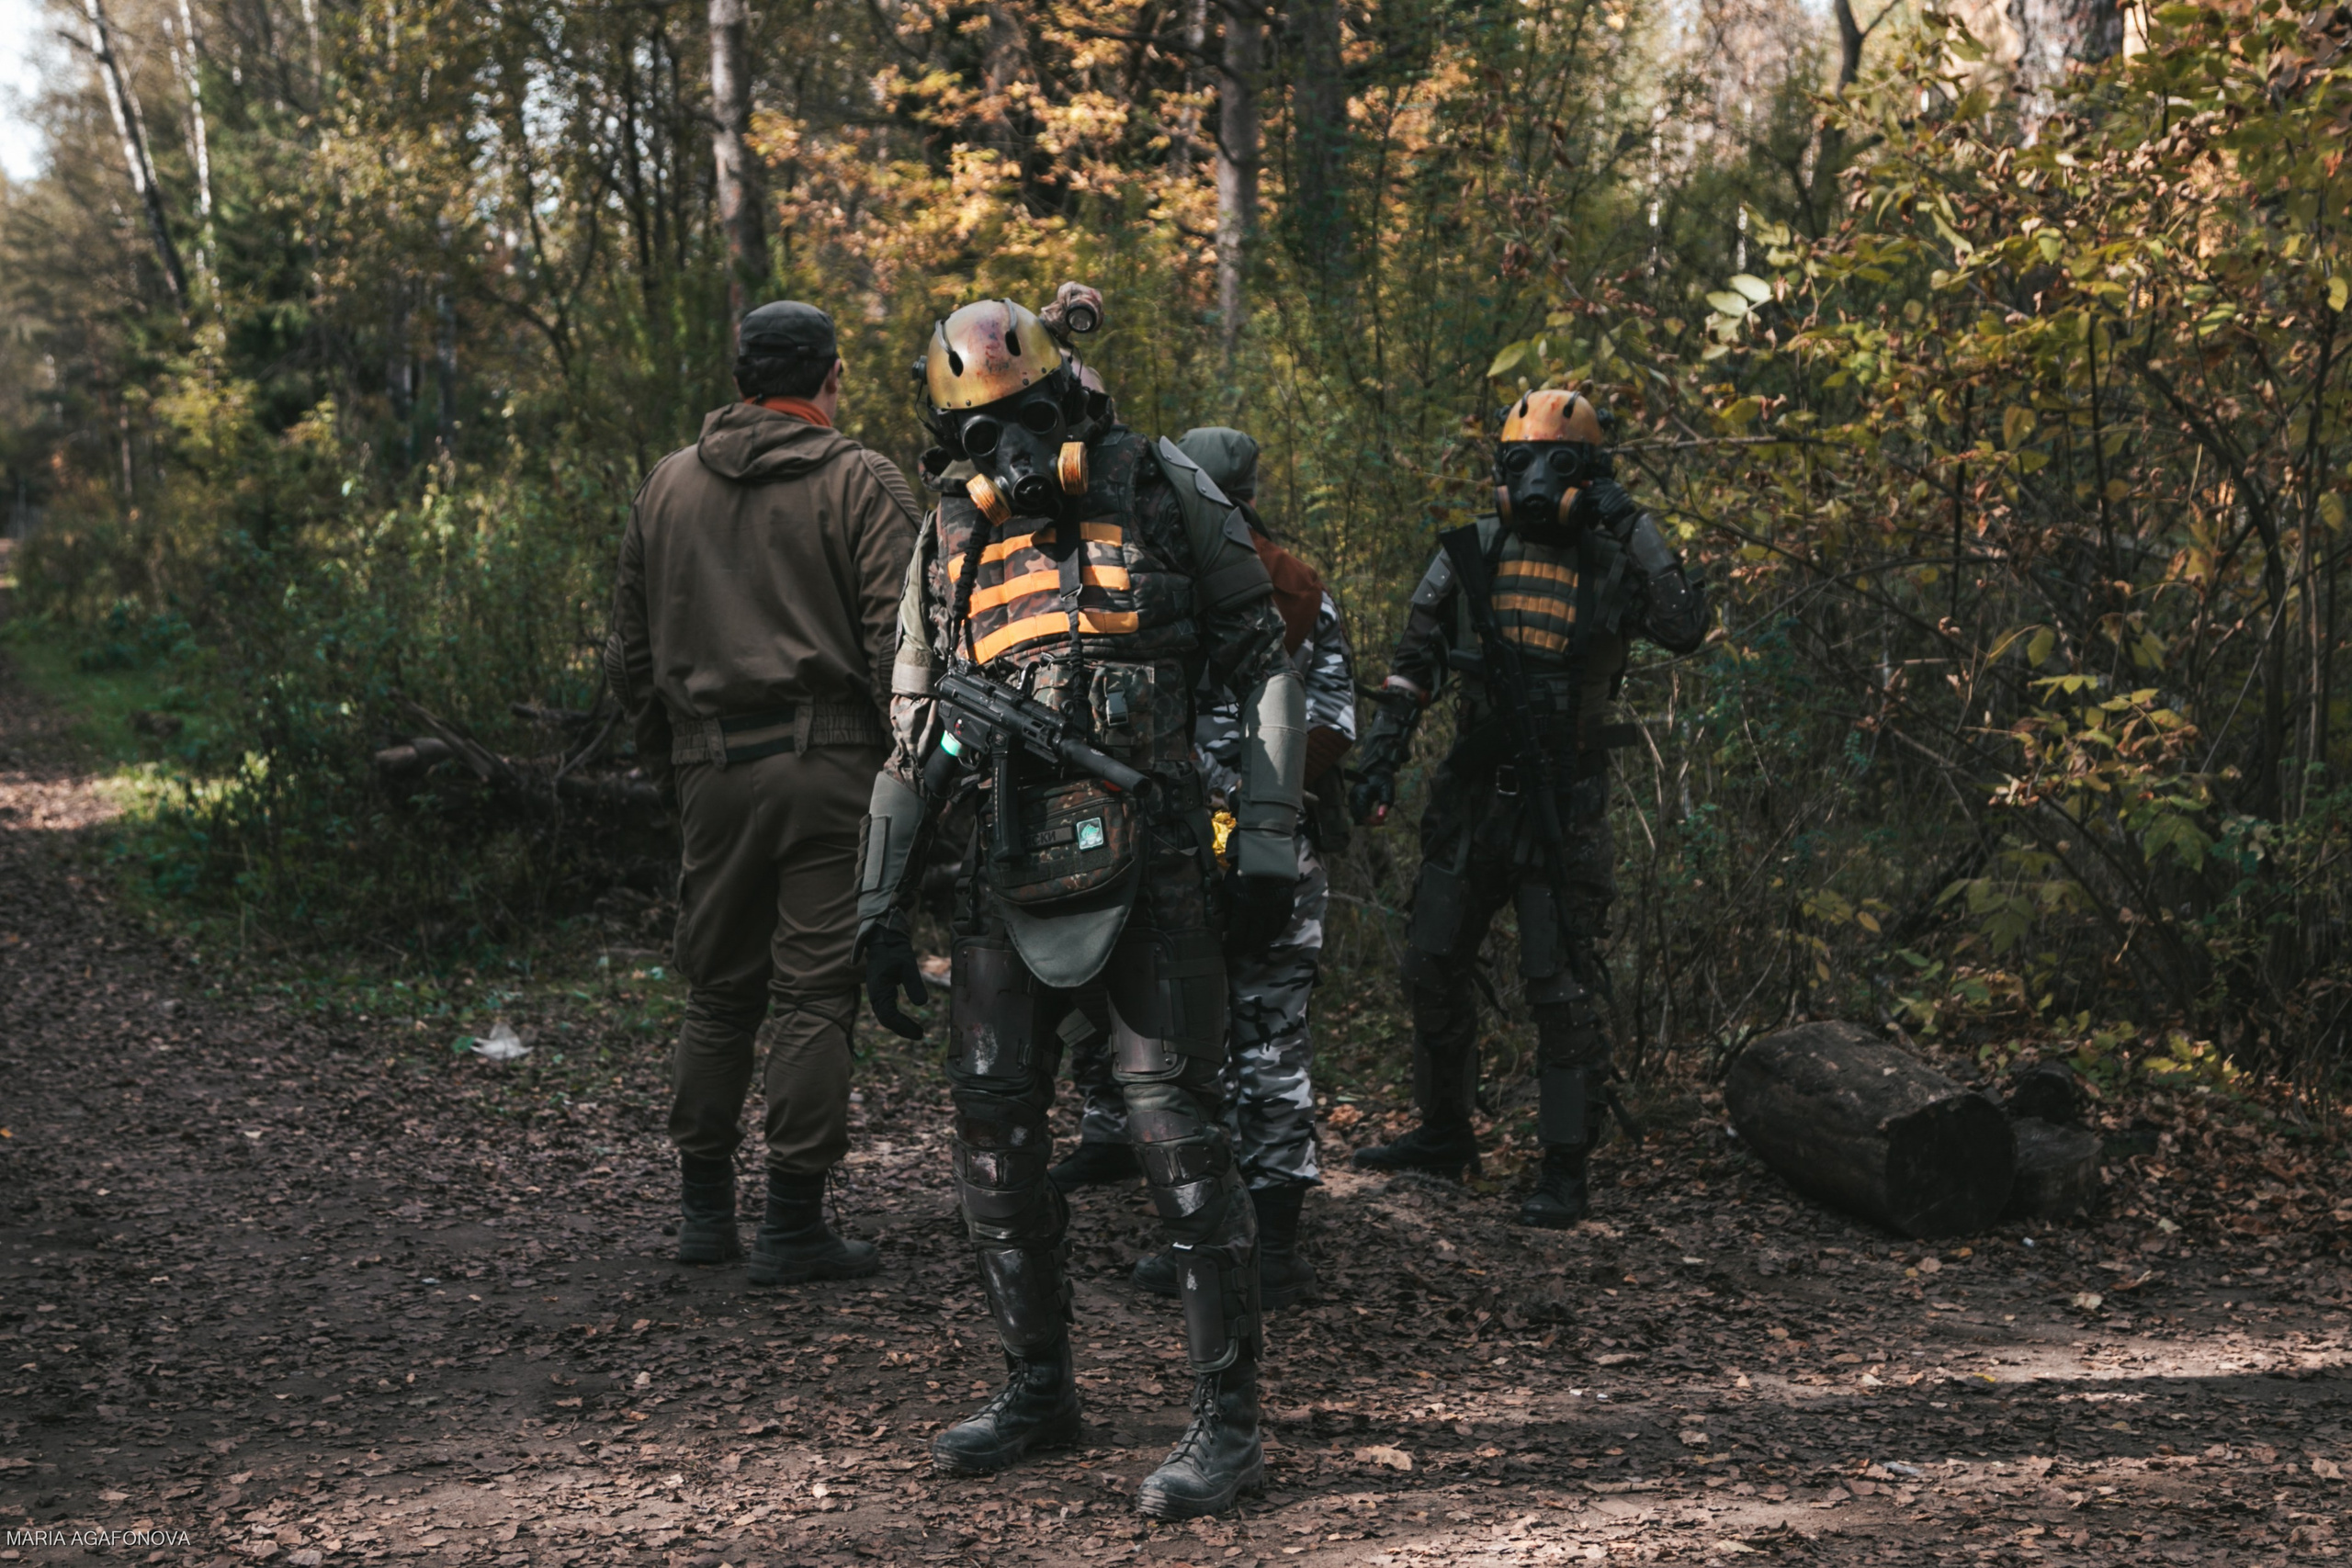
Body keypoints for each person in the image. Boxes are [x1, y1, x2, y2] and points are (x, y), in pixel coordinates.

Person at [854, 299, 1305, 1518]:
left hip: (1157, 863)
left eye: (1024, 421)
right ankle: (1038, 1387)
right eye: (979, 431)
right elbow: (918, 725)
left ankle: (1227, 1424)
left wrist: (1265, 835)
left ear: (1071, 403)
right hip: (1000, 864)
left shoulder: (1162, 486)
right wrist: (880, 903)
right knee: (995, 1128)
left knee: (1180, 1139)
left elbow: (1266, 652)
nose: (1006, 451)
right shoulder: (946, 538)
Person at [604, 300, 921, 1285]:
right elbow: (900, 647)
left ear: (741, 377)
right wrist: (911, 780)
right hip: (829, 771)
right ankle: (791, 1224)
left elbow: (630, 656)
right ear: (830, 377)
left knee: (718, 991)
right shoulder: (861, 481)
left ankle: (704, 1216)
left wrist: (675, 771)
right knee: (815, 994)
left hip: (710, 768)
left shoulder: (667, 486)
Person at [1346, 389, 1707, 1226]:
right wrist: (1380, 763)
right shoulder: (1472, 550)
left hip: (1564, 805)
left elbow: (1686, 626)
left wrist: (1631, 521)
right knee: (1431, 961)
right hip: (1474, 799)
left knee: (1559, 985)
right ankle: (1444, 1134)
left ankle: (1562, 1167)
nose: (1538, 479)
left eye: (1563, 465)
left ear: (1594, 474)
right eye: (1521, 464)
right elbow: (1411, 667)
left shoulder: (1616, 564)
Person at [1050, 425, 1354, 1314]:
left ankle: (1227, 1237)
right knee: (1271, 1035)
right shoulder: (1302, 588)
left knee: (1186, 1037)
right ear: (1251, 488)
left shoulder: (1148, 579)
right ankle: (1275, 1237)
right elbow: (1332, 725)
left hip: (1178, 837)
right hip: (1275, 836)